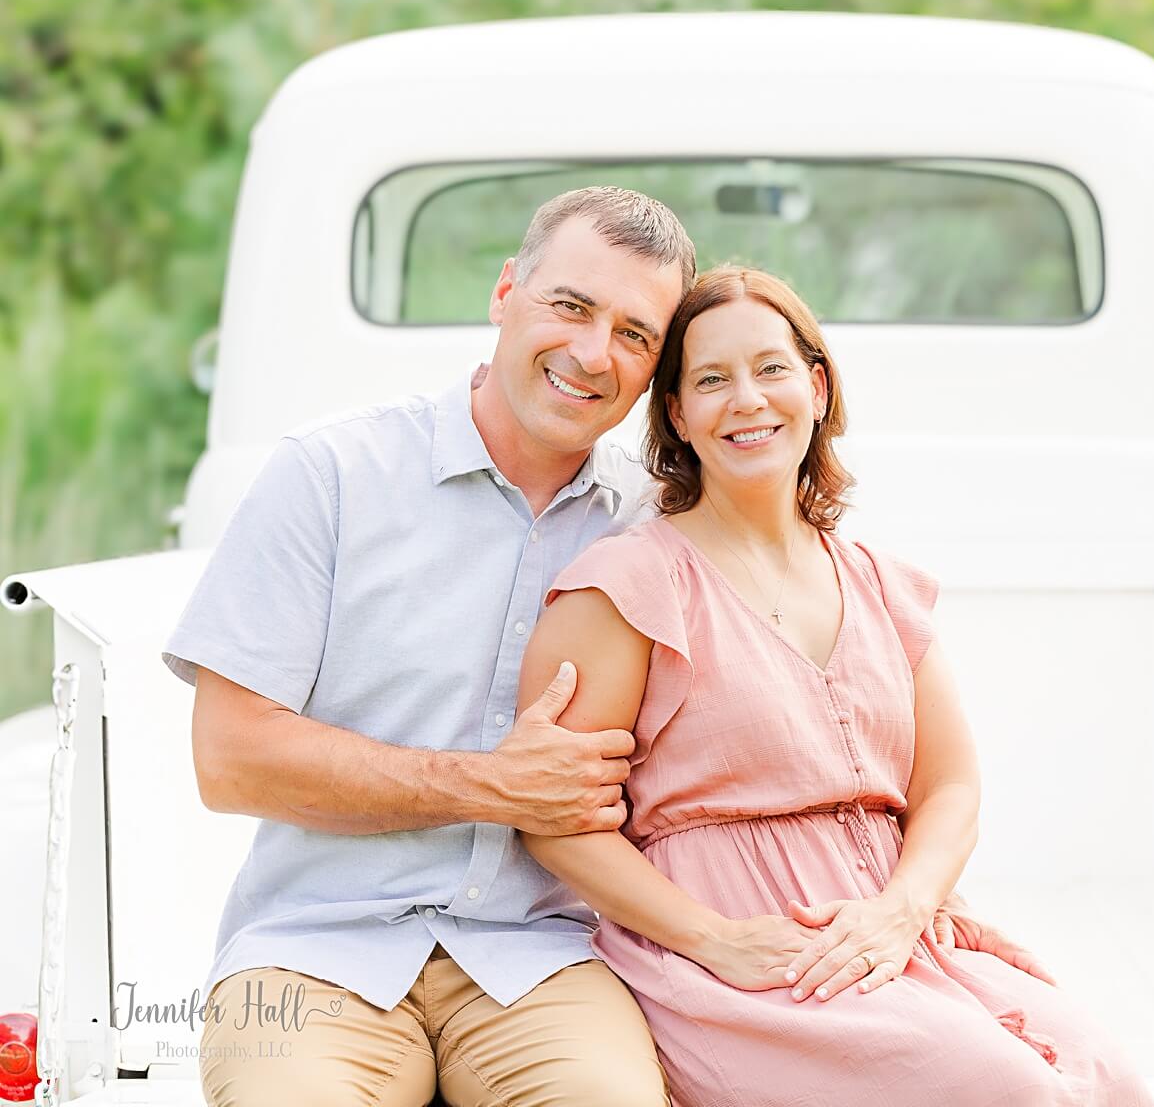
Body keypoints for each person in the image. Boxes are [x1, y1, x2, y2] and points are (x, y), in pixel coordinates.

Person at [163, 187, 1056, 1106]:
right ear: (506, 291)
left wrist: (909, 901)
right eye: (571, 307)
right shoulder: (332, 476)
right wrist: (486, 784)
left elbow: (798, 749)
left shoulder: (658, 533)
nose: (595, 354)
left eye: (636, 334)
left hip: (547, 957)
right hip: (315, 952)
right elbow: (228, 761)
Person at [517, 266, 1154, 1107]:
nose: (747, 399)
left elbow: (950, 786)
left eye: (771, 369)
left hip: (896, 928)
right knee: (1008, 1093)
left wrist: (905, 908)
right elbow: (551, 822)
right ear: (677, 414)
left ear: (816, 387)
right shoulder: (630, 586)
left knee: (1102, 1073)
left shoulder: (881, 584)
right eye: (711, 380)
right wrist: (718, 941)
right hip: (738, 957)